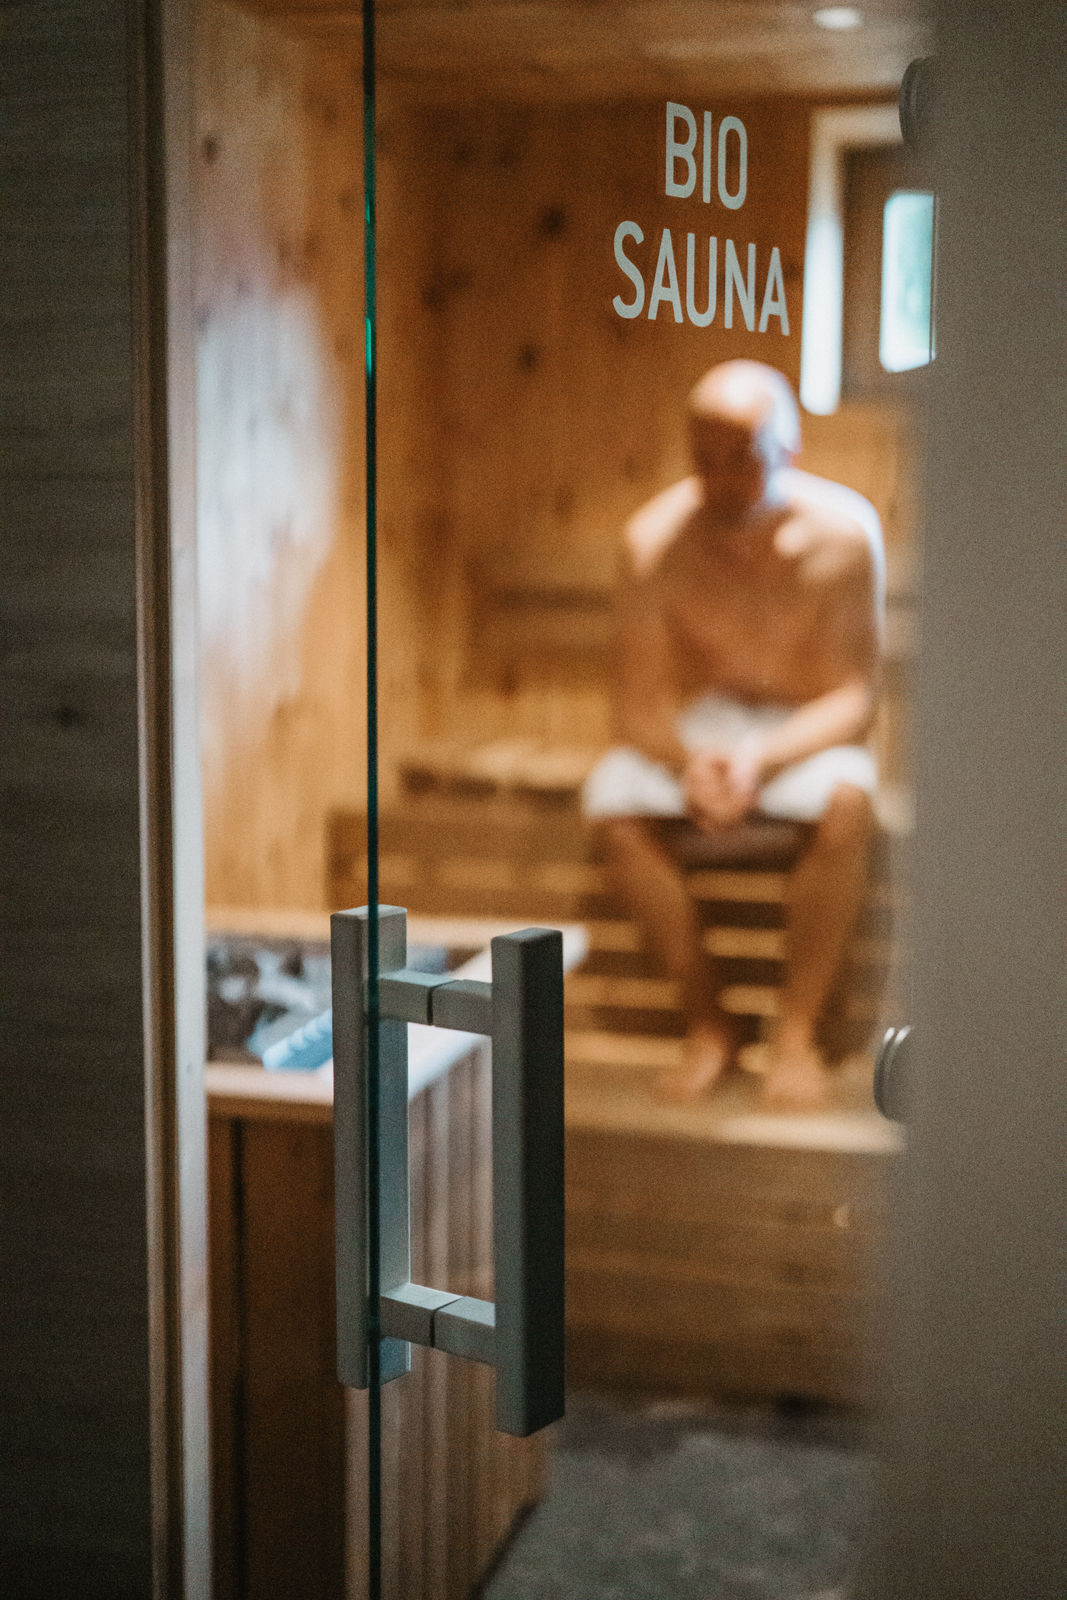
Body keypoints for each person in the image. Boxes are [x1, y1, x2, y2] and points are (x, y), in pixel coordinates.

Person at [584, 361, 883, 1109]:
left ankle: (794, 1032)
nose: (720, 479)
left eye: (742, 458)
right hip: (706, 727)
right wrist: (692, 764)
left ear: (789, 449)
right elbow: (635, 707)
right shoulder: (654, 543)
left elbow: (855, 697)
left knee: (847, 804)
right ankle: (708, 1025)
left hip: (804, 728)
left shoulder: (845, 538)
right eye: (704, 459)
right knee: (613, 807)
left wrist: (760, 759)